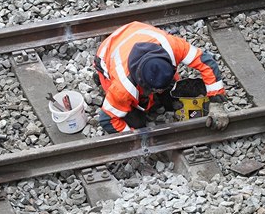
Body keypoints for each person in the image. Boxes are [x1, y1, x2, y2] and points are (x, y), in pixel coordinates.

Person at [93, 21, 228, 134]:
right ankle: (101, 80)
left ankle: (160, 96)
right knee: (137, 121)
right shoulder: (123, 87)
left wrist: (216, 102)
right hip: (107, 54)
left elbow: (206, 62)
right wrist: (133, 139)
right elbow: (107, 120)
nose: (158, 92)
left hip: (134, 31)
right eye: (155, 90)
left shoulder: (172, 46)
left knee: (170, 91)